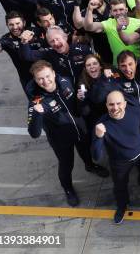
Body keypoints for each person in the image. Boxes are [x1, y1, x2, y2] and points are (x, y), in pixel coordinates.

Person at [27, 60, 109, 207]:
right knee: (66, 165)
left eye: (47, 76)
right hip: (60, 140)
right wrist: (37, 115)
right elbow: (34, 133)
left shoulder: (66, 81)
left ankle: (90, 166)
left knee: (86, 152)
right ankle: (68, 189)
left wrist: (80, 99)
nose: (45, 81)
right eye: (40, 78)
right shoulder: (36, 101)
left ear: (53, 73)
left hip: (79, 129)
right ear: (35, 80)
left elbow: (78, 107)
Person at [92, 90, 140, 224]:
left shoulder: (136, 111)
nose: (115, 108)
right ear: (106, 105)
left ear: (125, 104)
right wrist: (98, 137)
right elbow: (96, 155)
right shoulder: (101, 125)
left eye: (119, 103)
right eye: (111, 104)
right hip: (120, 162)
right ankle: (122, 206)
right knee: (120, 186)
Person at [0, 11, 43, 90]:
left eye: (18, 23)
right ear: (7, 25)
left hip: (46, 75)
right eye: (11, 24)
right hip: (28, 80)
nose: (15, 27)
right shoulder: (6, 40)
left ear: (24, 22)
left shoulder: (35, 31)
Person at [83, 0, 140, 66]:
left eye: (121, 9)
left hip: (137, 64)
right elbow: (88, 27)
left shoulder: (138, 23)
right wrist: (89, 10)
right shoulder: (108, 23)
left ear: (126, 10)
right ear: (111, 12)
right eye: (115, 10)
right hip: (118, 66)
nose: (118, 13)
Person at [19, 25, 92, 82]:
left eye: (57, 39)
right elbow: (28, 56)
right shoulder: (49, 53)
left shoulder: (83, 49)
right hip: (66, 90)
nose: (56, 43)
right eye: (52, 41)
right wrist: (24, 42)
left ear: (65, 37)